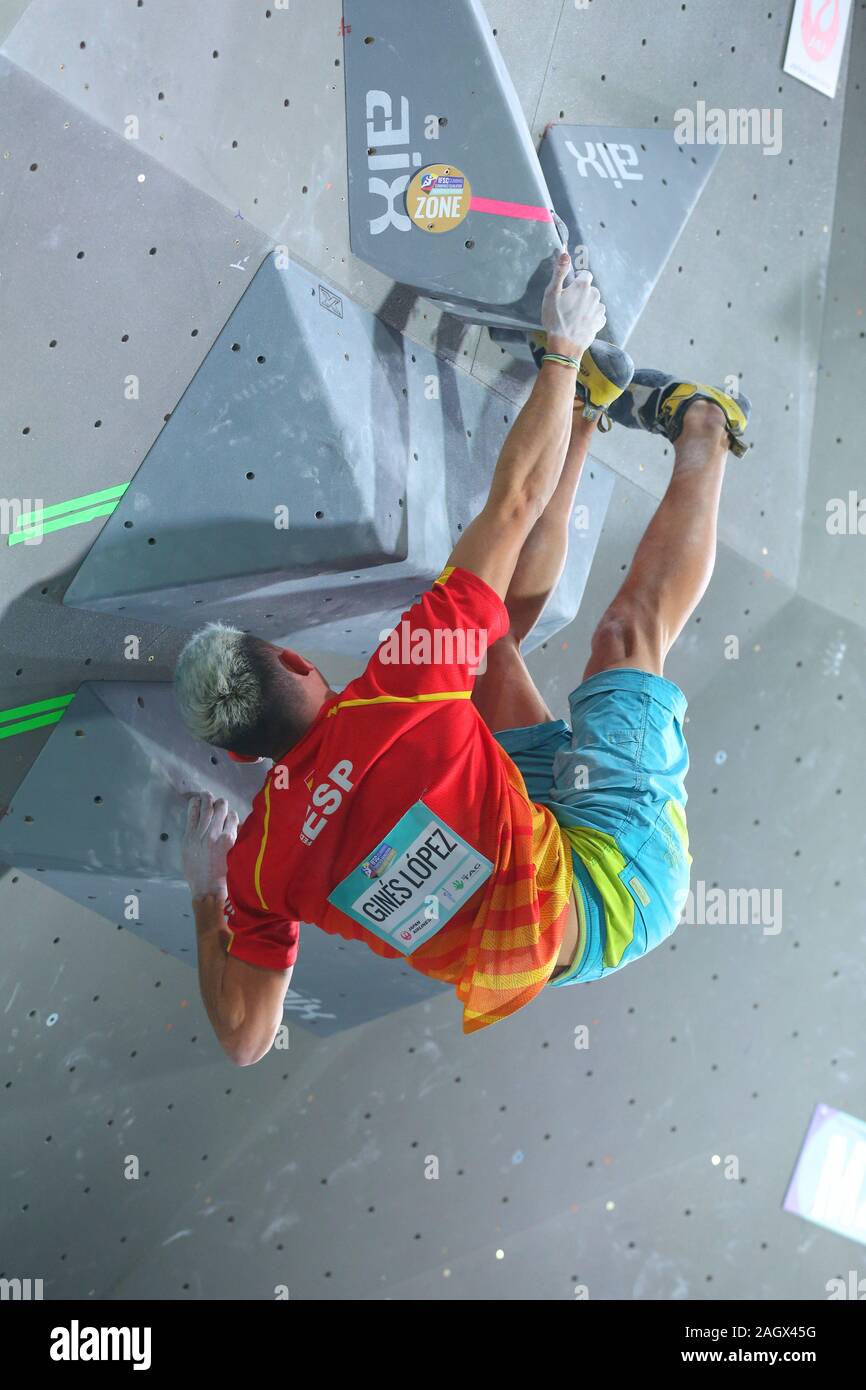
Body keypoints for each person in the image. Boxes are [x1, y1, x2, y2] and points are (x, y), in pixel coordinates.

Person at [176, 249, 750, 1065]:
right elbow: (510, 507)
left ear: (238, 752)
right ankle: (708, 426)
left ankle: (589, 410)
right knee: (622, 638)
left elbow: (245, 1040)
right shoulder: (399, 683)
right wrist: (558, 345)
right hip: (617, 886)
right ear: (299, 664)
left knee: (489, 651)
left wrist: (212, 902)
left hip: (535, 867)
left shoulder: (264, 866)